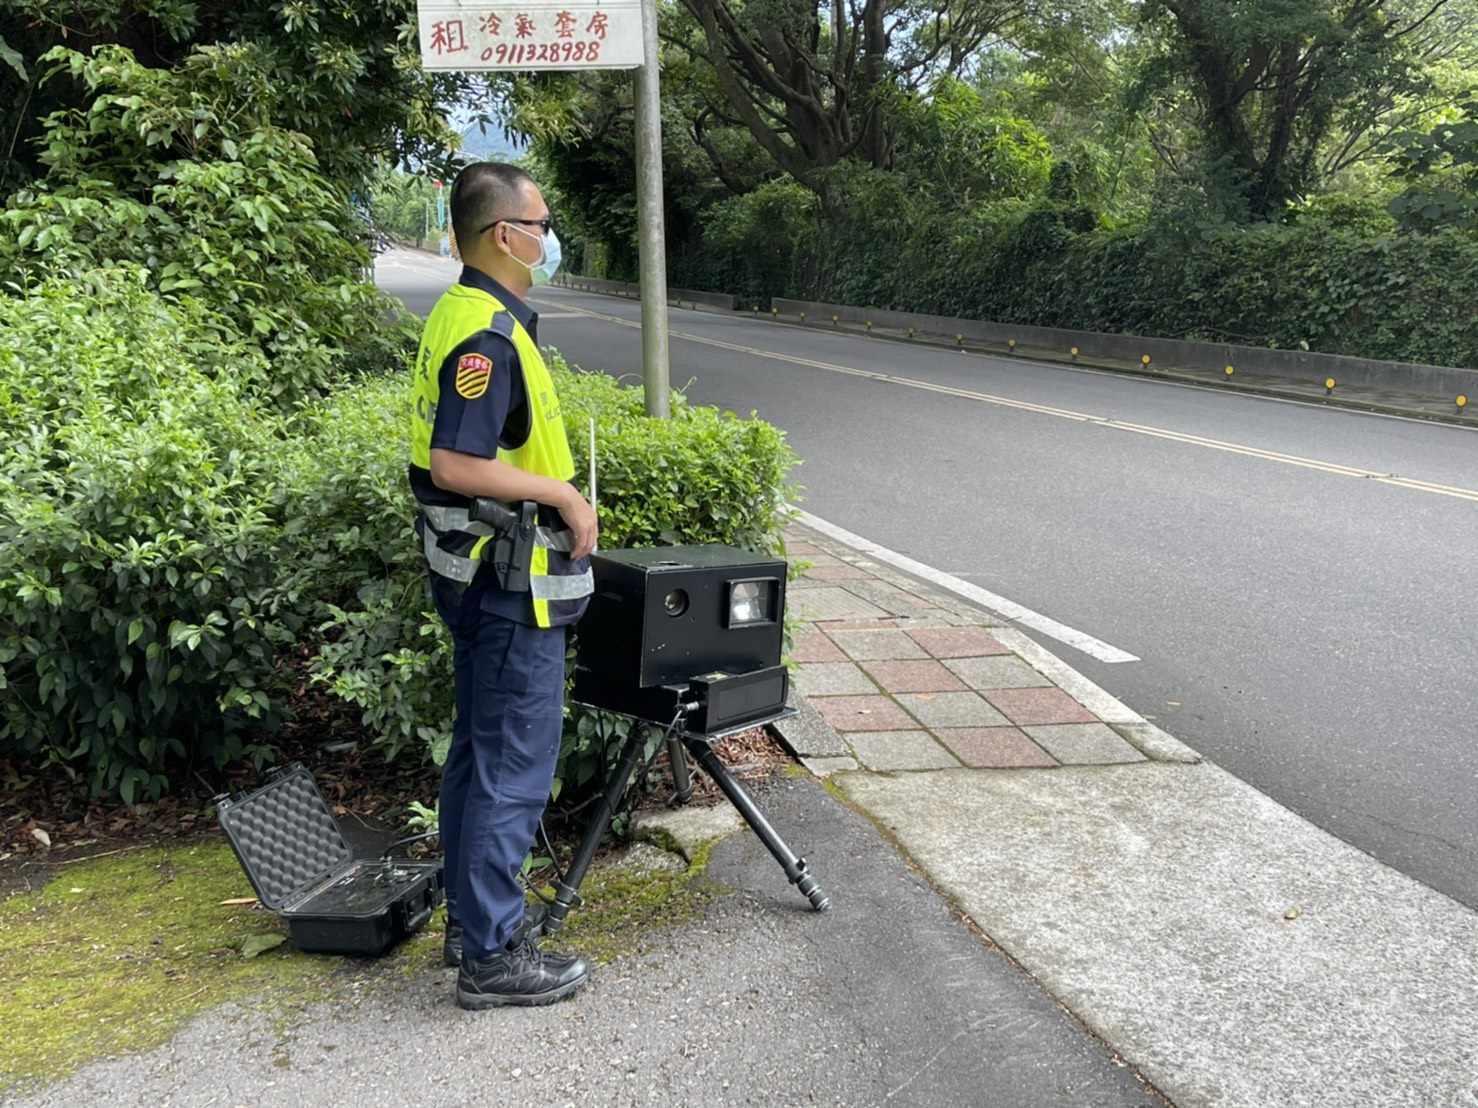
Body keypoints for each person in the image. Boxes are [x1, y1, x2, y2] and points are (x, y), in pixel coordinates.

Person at [407, 162, 598, 1009]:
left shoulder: (464, 314)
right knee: (513, 762)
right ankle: (490, 956)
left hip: (479, 576)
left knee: (481, 754)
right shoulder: (485, 333)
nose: (549, 239)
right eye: (542, 225)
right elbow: (455, 462)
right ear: (502, 235)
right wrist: (561, 492)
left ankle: (469, 926)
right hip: (508, 582)